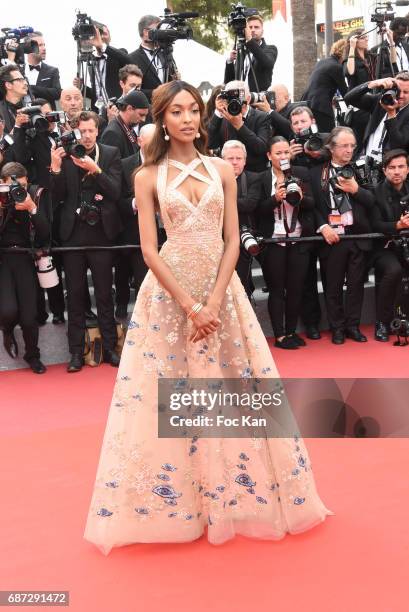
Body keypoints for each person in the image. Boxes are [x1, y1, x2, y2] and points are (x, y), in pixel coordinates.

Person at [83, 80, 331, 553]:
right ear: (161, 118)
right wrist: (191, 305)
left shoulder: (221, 168)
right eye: (176, 111)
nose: (187, 118)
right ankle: (184, 502)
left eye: (193, 110)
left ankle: (234, 491)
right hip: (171, 295)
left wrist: (214, 300)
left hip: (223, 290)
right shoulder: (146, 174)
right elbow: (149, 250)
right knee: (172, 396)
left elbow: (233, 239)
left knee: (237, 387)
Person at [49, 111, 122, 373]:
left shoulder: (111, 153)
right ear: (75, 130)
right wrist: (55, 170)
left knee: (104, 295)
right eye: (82, 131)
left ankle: (111, 349)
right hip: (72, 235)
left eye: (91, 130)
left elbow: (115, 191)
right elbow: (56, 199)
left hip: (102, 234)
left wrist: (97, 170)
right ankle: (76, 353)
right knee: (76, 297)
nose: (87, 136)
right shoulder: (65, 155)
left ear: (98, 130)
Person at [310, 127, 374, 345]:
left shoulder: (361, 169)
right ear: (331, 147)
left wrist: (356, 189)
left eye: (352, 146)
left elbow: (374, 201)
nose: (349, 150)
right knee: (332, 286)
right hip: (332, 237)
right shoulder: (316, 172)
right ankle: (337, 327)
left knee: (356, 285)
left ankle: (353, 326)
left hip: (357, 235)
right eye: (344, 145)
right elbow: (312, 206)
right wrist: (322, 226)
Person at [255, 137, 315, 349]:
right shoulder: (262, 179)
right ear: (269, 156)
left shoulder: (301, 175)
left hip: (298, 238)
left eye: (286, 153)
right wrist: (274, 198)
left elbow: (312, 203)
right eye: (278, 153)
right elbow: (256, 209)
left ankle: (291, 331)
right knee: (277, 289)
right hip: (274, 240)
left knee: (296, 288)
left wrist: (300, 196)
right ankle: (279, 335)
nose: (283, 157)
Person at [0, 162, 50, 373]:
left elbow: (46, 234)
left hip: (24, 258)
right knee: (8, 310)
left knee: (30, 317)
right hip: (2, 259)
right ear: (2, 184)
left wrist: (32, 209)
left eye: (20, 185)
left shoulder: (33, 196)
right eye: (12, 187)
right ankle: (8, 330)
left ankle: (33, 355)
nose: (16, 191)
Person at [371, 149, 409, 341]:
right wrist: (398, 225)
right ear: (384, 170)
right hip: (383, 247)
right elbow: (375, 225)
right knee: (394, 270)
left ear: (408, 169)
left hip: (406, 245)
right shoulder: (375, 192)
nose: (397, 171)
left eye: (401, 167)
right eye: (392, 167)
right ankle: (382, 322)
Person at [221, 139, 261, 297]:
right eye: (230, 159)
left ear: (245, 161)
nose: (235, 162)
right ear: (222, 160)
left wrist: (221, 200)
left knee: (242, 284)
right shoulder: (213, 179)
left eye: (239, 158)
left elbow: (249, 204)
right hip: (218, 239)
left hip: (242, 238)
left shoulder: (254, 178)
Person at [207, 80, 271, 172]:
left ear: (248, 99)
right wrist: (218, 112)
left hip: (255, 176)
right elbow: (210, 143)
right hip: (228, 174)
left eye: (239, 99)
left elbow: (261, 148)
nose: (235, 102)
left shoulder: (262, 117)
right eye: (231, 99)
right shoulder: (223, 116)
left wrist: (240, 126)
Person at [345, 72, 409, 158]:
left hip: (391, 166)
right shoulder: (381, 101)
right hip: (367, 159)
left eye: (406, 92)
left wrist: (391, 114)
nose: (401, 95)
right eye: (399, 91)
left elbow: (398, 145)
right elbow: (349, 98)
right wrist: (373, 83)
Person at [302, 40, 348, 133]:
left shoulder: (322, 62)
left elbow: (322, 84)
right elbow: (345, 92)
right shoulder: (336, 66)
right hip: (321, 106)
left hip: (308, 102)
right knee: (327, 136)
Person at [224, 14, 277, 92]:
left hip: (258, 100)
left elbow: (267, 63)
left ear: (262, 31)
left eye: (256, 27)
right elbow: (229, 82)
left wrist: (249, 40)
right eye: (250, 27)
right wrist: (230, 61)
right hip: (240, 99)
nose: (252, 30)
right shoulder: (242, 51)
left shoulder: (270, 49)